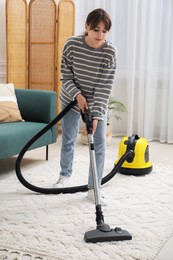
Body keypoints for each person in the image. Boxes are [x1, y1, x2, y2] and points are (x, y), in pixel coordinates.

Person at [55, 8, 117, 206]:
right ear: (86, 27)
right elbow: (65, 75)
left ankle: (94, 188)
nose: (100, 36)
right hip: (71, 100)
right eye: (96, 30)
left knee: (99, 143)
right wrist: (78, 96)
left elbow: (104, 87)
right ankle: (64, 176)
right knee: (69, 138)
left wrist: (96, 116)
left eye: (104, 31)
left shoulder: (109, 52)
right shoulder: (72, 44)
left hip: (96, 102)